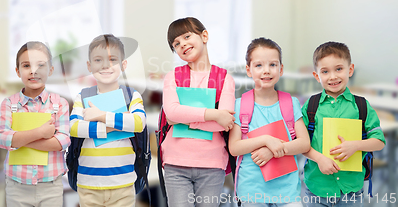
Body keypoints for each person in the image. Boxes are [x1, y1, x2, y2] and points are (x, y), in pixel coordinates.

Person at [162, 17, 235, 207]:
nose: (183, 44)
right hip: (175, 163)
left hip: (212, 164)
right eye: (176, 43)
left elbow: (225, 122)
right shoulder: (172, 77)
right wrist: (214, 114)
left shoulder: (225, 78)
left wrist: (183, 119)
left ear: (204, 36)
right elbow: (171, 111)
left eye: (187, 36)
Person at [228, 37, 310, 207]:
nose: (266, 71)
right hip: (252, 190)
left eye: (272, 65)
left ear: (281, 69)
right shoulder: (240, 105)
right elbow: (234, 147)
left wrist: (272, 151)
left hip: (287, 191)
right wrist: (266, 140)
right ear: (249, 70)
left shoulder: (291, 103)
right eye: (259, 65)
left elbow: (304, 143)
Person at [302, 41, 385, 207]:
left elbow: (379, 142)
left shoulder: (361, 106)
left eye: (339, 69)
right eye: (325, 71)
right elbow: (300, 143)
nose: (333, 76)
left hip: (351, 191)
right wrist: (319, 159)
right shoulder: (311, 106)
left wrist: (356, 145)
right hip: (317, 188)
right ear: (317, 76)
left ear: (350, 70)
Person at [69, 34, 146, 207]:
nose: (105, 65)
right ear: (89, 66)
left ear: (123, 65)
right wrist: (118, 125)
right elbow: (74, 127)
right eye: (98, 60)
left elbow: (139, 123)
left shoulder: (131, 95)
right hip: (88, 184)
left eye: (112, 59)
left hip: (123, 184)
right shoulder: (83, 96)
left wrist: (100, 116)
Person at [0, 41, 70, 207]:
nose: (33, 71)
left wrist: (20, 140)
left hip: (51, 185)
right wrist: (40, 133)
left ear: (50, 70)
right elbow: (2, 139)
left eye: (40, 65)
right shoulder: (9, 104)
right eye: (26, 65)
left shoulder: (60, 104)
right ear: (18, 71)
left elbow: (62, 141)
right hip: (17, 186)